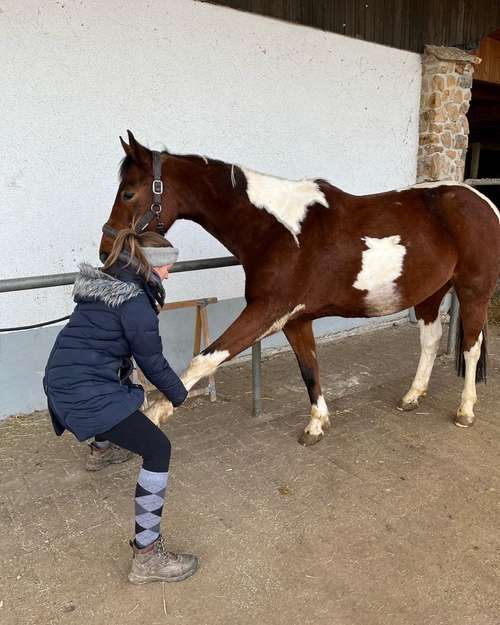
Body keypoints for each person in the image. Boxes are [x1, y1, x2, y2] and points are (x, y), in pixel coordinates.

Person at [43, 226, 198, 584]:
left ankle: (102, 451)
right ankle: (147, 556)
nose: (169, 273)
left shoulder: (106, 290)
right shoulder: (135, 303)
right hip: (83, 390)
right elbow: (154, 363)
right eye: (166, 266)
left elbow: (110, 350)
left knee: (122, 384)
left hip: (62, 379)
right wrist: (179, 393)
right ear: (149, 265)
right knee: (158, 449)